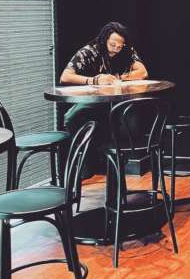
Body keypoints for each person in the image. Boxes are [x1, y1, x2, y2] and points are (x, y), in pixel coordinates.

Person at [60, 22, 148, 169]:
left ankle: (112, 162)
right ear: (104, 39)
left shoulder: (126, 50)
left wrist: (118, 78)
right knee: (70, 117)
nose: (116, 49)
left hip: (119, 100)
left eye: (120, 46)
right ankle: (80, 163)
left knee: (127, 120)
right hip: (95, 98)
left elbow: (143, 72)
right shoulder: (90, 51)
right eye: (113, 45)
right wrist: (94, 80)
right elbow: (65, 76)